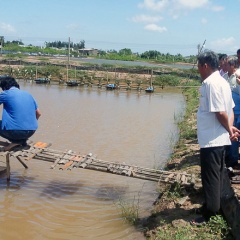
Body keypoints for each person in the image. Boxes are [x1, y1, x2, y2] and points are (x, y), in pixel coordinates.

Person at [192, 51, 240, 224]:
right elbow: (231, 109)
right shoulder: (223, 82)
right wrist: (231, 128)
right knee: (218, 173)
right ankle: (215, 205)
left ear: (205, 66)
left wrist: (229, 129)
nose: (198, 70)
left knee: (210, 176)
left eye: (198, 66)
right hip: (218, 138)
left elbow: (220, 112)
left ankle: (210, 213)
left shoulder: (211, 83)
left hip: (212, 139)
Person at [0, 76, 41, 145]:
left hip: (16, 132)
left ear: (4, 87)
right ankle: (21, 140)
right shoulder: (28, 95)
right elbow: (39, 113)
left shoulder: (6, 94)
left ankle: (16, 141)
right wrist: (27, 126)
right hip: (31, 131)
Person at [223, 56, 240, 168]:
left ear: (232, 65)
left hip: (238, 111)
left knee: (235, 135)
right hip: (229, 111)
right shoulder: (224, 77)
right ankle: (229, 157)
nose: (223, 66)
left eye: (226, 65)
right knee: (229, 134)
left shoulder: (238, 75)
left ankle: (233, 159)